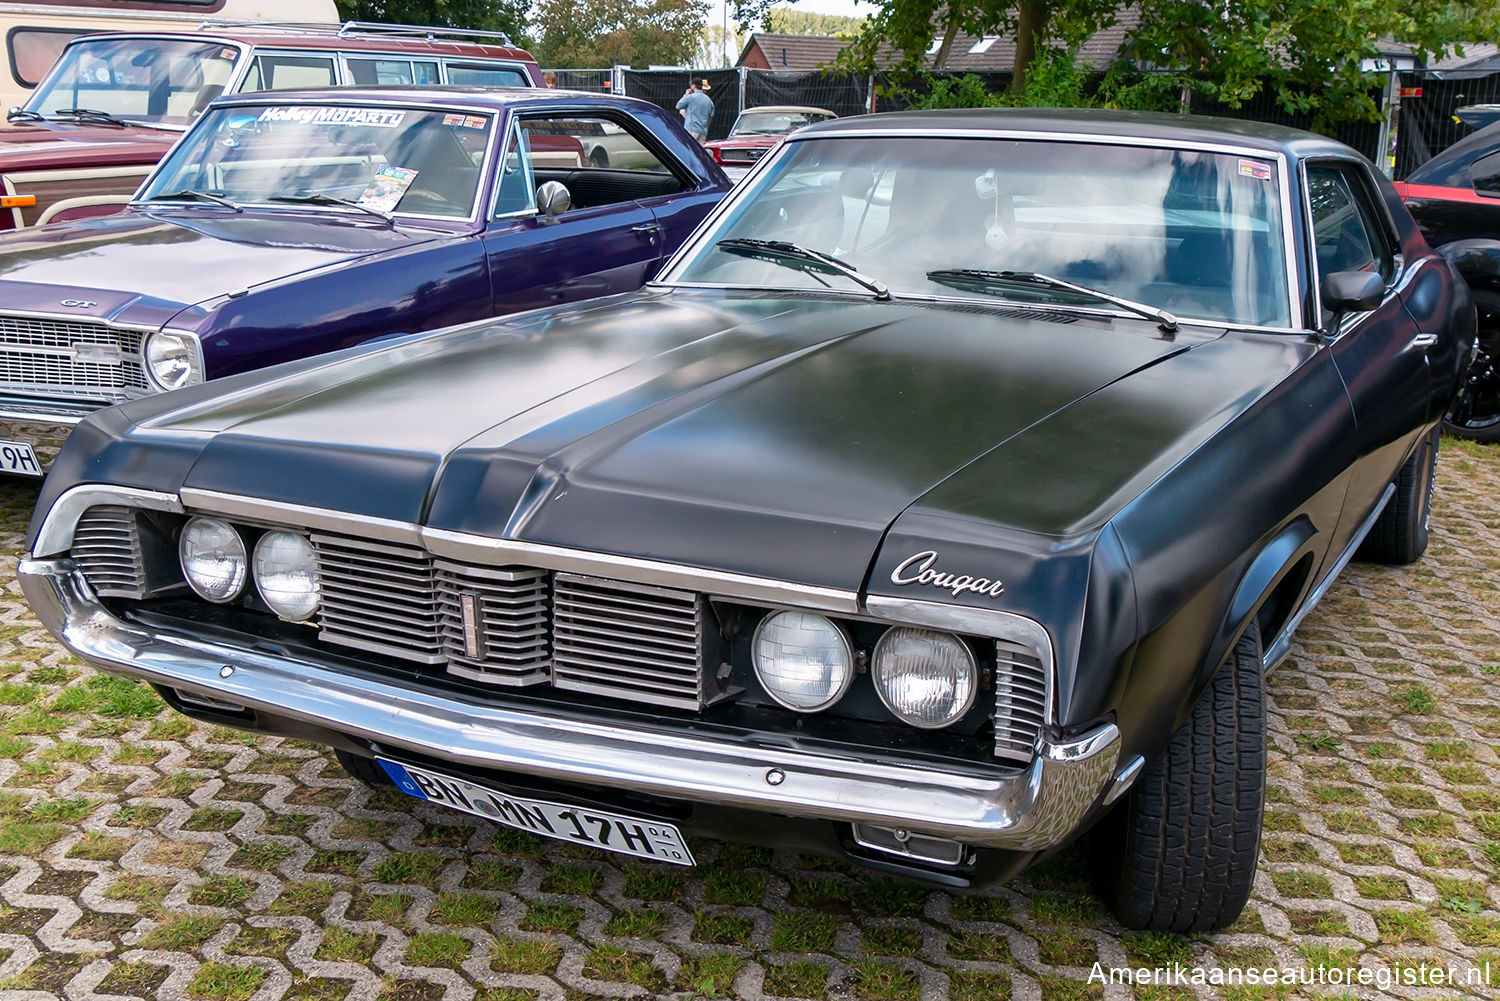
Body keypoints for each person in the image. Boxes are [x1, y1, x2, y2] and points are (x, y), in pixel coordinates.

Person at [676, 78, 714, 143]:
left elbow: (678, 106)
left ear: (694, 86)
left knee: (689, 149)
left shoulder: (691, 97)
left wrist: (686, 95)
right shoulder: (709, 101)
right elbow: (710, 118)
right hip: (703, 131)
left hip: (691, 130)